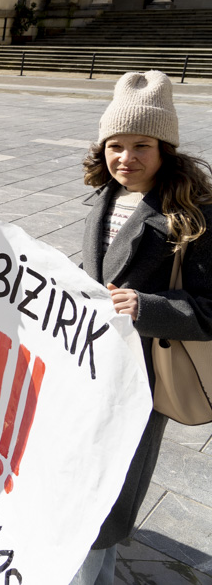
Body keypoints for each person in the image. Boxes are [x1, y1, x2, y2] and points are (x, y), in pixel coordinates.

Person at [72, 70, 212, 584]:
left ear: (165, 148)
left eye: (141, 145)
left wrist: (146, 305)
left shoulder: (193, 215)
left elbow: (209, 308)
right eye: (116, 145)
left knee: (107, 490)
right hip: (87, 365)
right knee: (87, 485)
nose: (125, 158)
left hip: (143, 378)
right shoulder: (104, 199)